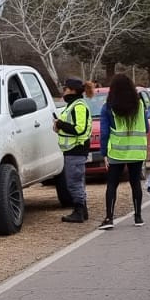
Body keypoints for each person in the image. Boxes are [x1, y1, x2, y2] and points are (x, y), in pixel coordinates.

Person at [98, 73, 147, 228]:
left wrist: (104, 152)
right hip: (137, 151)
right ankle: (138, 217)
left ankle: (109, 218)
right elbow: (145, 127)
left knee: (112, 184)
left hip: (117, 151)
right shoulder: (139, 106)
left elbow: (105, 133)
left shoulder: (108, 108)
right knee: (135, 183)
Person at [53, 76, 92, 224]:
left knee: (74, 182)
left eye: (66, 89)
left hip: (76, 149)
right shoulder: (74, 105)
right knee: (77, 181)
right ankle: (82, 210)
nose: (64, 92)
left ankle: (79, 211)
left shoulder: (79, 106)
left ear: (73, 90)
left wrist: (61, 124)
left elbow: (79, 129)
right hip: (72, 150)